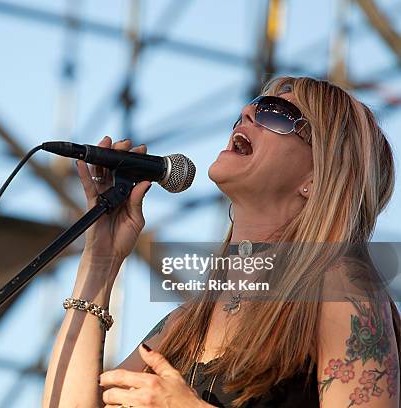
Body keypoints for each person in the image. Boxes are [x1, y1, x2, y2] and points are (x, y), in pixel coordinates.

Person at [42, 76, 400, 407]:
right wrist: (100, 263)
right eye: (254, 104)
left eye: (276, 113)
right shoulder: (186, 322)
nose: (247, 112)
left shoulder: (344, 287)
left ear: (318, 176)